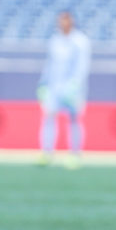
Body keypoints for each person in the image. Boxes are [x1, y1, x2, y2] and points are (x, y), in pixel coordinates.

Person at [37, 11, 91, 167]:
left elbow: (82, 66)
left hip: (73, 88)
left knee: (74, 119)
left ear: (72, 21)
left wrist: (74, 85)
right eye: (60, 20)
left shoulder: (80, 41)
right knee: (49, 117)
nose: (63, 23)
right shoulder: (54, 40)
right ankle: (47, 153)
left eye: (66, 20)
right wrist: (43, 84)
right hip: (54, 87)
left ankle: (75, 154)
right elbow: (49, 65)